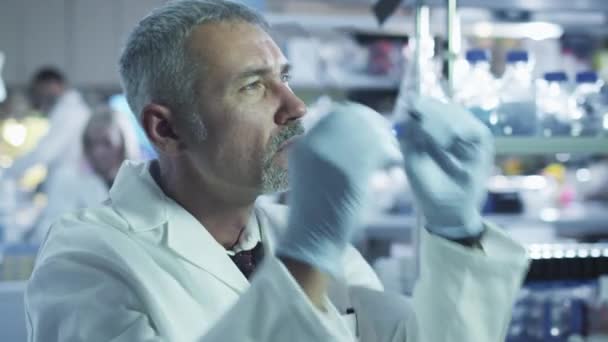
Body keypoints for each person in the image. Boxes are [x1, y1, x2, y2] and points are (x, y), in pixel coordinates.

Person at [25, 1, 529, 341]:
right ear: (167, 129)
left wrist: (455, 232)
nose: (294, 107)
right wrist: (307, 257)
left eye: (284, 78)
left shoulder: (299, 236)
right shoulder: (85, 260)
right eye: (252, 86)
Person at [29, 109, 140, 242]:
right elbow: (48, 232)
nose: (98, 152)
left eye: (107, 143)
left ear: (124, 143)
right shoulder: (68, 181)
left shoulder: (140, 184)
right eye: (92, 143)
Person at [3, 67, 91, 181]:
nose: (40, 96)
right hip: (67, 180)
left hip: (68, 180)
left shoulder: (69, 112)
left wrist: (9, 171)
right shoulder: (68, 109)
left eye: (41, 90)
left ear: (55, 84)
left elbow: (43, 153)